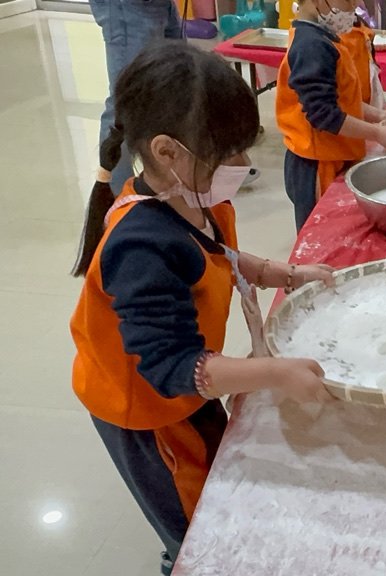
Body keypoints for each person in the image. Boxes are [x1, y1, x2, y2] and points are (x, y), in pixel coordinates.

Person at [70, 42, 336, 576]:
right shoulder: (141, 247)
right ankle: (183, 559)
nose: (242, 166)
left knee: (215, 467)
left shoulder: (192, 197)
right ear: (168, 152)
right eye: (227, 154)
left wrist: (281, 273)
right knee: (196, 520)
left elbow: (217, 253)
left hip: (186, 384)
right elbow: (174, 368)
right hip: (147, 408)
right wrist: (275, 372)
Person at [277, 0, 386, 231]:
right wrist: (377, 133)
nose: (354, 7)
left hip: (333, 155)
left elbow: (341, 100)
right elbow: (324, 115)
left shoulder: (325, 38)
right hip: (316, 164)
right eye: (348, 0)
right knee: (321, 233)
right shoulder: (311, 46)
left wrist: (378, 115)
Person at [88, 0, 183, 198]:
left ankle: (172, 182)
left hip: (160, 5)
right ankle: (120, 197)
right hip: (130, 6)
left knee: (175, 84)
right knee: (126, 101)